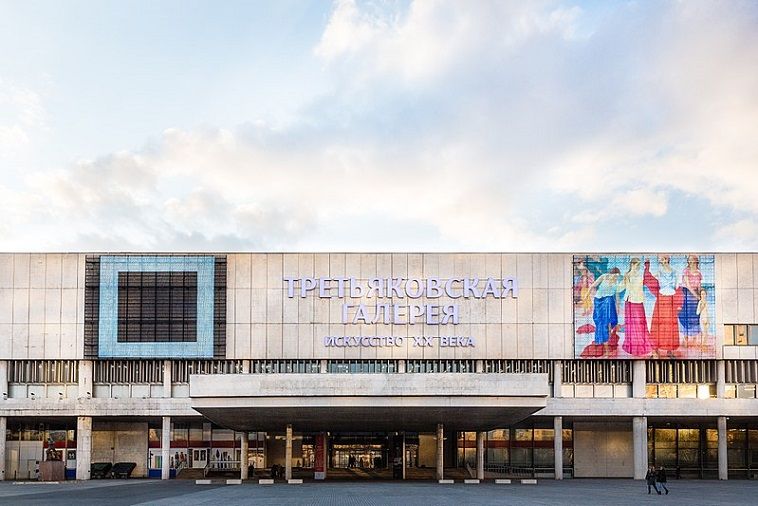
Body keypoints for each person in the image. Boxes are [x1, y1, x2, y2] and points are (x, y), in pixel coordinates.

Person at [646, 256, 680, 356]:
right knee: (658, 323)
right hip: (661, 299)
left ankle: (670, 350)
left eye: (664, 259)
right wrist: (647, 267)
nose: (662, 261)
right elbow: (649, 278)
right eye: (661, 260)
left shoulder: (674, 271)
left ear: (667, 259)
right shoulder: (659, 271)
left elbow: (677, 287)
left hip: (670, 299)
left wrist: (677, 302)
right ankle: (655, 348)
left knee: (670, 324)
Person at [622, 258, 653, 357]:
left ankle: (641, 344)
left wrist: (647, 266)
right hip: (630, 301)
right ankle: (634, 346)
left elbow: (647, 279)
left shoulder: (640, 275)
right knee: (632, 324)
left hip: (639, 301)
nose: (637, 267)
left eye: (639, 265)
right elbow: (624, 288)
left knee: (640, 323)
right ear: (632, 264)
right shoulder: (627, 275)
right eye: (636, 265)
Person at [590, 268, 622, 355]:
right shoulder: (604, 276)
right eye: (615, 276)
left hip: (609, 302)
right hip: (599, 301)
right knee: (601, 323)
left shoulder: (616, 283)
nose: (616, 278)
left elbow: (617, 297)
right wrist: (586, 295)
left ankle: (606, 340)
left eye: (617, 277)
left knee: (608, 323)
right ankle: (604, 341)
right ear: (611, 274)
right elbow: (593, 285)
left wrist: (618, 308)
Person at [679, 255, 703, 347]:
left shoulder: (699, 273)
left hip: (695, 294)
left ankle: (694, 338)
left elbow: (699, 285)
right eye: (690, 261)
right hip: (686, 293)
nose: (691, 263)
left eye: (693, 261)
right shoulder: (686, 271)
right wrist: (696, 295)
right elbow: (688, 285)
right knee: (686, 315)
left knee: (695, 315)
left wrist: (700, 295)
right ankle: (685, 339)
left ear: (696, 262)